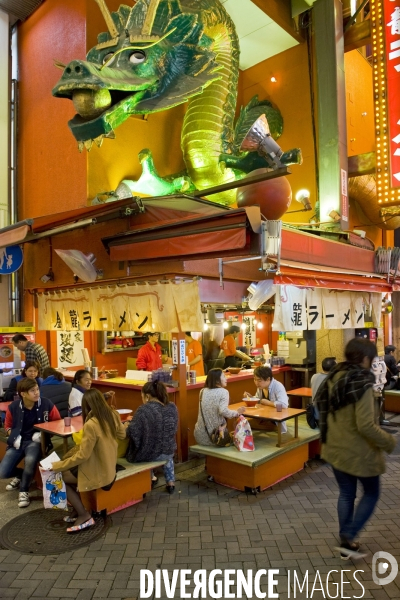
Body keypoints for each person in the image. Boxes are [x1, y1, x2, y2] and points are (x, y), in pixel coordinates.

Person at [315, 338, 396, 559]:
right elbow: (366, 425)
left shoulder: (334, 376)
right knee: (371, 493)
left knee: (346, 493)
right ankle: (348, 536)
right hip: (358, 453)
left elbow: (320, 405)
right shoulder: (362, 384)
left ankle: (346, 541)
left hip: (334, 448)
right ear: (366, 358)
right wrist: (389, 441)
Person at [51, 388, 126, 532]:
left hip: (100, 471)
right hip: (109, 466)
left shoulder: (91, 424)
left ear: (86, 405)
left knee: (60, 476)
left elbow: (83, 455)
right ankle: (78, 509)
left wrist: (57, 465)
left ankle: (84, 515)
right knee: (68, 474)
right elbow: (122, 435)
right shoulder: (113, 414)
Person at [0, 378, 61, 508]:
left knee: (30, 460)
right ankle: (21, 475)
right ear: (23, 394)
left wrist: (43, 434)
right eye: (32, 391)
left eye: (37, 389)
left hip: (36, 442)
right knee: (3, 472)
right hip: (18, 442)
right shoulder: (13, 407)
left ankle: (24, 491)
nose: (36, 393)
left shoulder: (46, 404)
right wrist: (14, 436)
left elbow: (57, 423)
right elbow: (7, 426)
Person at [126, 381, 179, 493]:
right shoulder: (172, 407)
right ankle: (171, 483)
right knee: (166, 453)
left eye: (142, 396)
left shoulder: (143, 410)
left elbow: (133, 432)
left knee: (141, 450)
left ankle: (151, 478)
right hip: (168, 451)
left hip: (150, 454)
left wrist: (127, 426)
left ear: (147, 396)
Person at [194, 368, 245, 446]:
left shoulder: (202, 391)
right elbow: (223, 411)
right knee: (239, 439)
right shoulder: (223, 392)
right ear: (217, 380)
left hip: (200, 436)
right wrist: (237, 413)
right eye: (224, 376)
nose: (226, 378)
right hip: (216, 437)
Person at [244, 365, 289, 433]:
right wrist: (251, 398)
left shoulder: (278, 386)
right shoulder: (261, 386)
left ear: (268, 379)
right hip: (264, 417)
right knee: (243, 423)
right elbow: (259, 401)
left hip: (275, 420)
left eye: (259, 380)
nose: (256, 383)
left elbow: (284, 405)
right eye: (255, 379)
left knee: (245, 425)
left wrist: (269, 403)